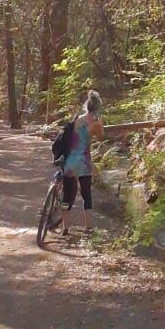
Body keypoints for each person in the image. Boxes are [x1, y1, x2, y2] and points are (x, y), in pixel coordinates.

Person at [61, 89, 103, 235]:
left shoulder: (77, 119)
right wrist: (100, 124)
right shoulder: (96, 123)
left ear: (87, 106)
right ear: (97, 108)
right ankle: (89, 228)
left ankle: (65, 228)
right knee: (86, 194)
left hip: (71, 161)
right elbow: (101, 136)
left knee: (67, 195)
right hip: (84, 162)